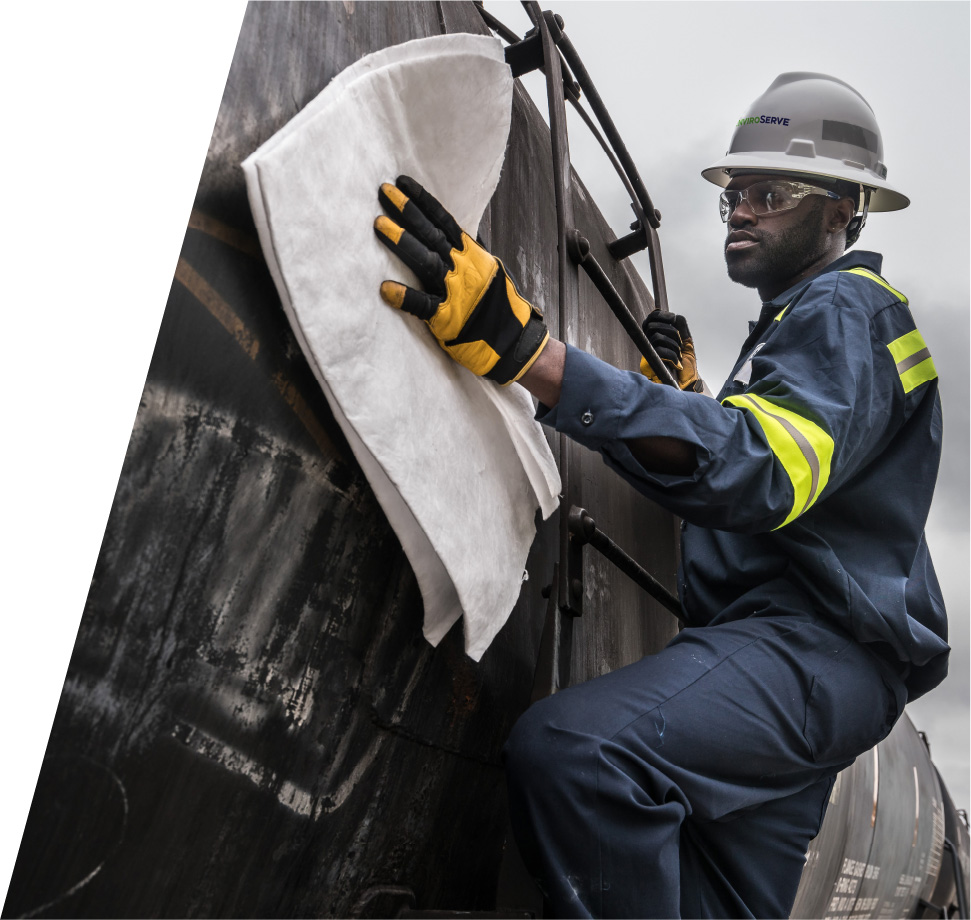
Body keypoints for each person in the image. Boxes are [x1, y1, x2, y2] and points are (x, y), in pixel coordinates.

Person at [373, 72, 948, 918]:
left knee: (577, 754)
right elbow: (769, 463)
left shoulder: (846, 306)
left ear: (842, 211)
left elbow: (760, 469)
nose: (742, 209)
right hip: (814, 660)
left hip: (809, 648)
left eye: (772, 192)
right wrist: (692, 404)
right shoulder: (801, 322)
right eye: (735, 194)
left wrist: (532, 356)